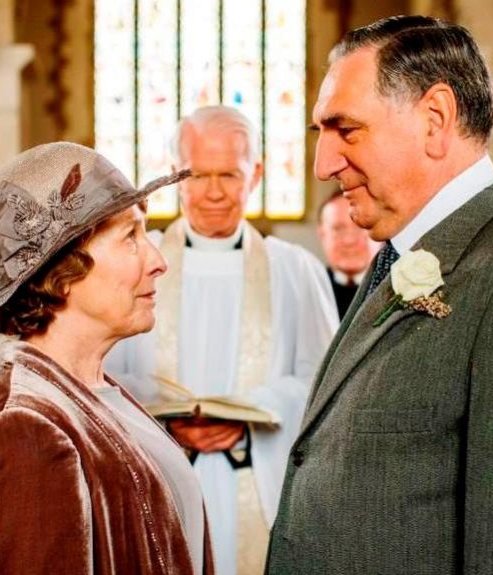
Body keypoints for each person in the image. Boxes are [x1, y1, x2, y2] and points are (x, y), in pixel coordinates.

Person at [267, 16, 493, 575]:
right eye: (322, 132)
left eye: (347, 129)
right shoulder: (401, 253)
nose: (323, 165)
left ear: (435, 119)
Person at [0, 142, 212, 574]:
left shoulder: (94, 392)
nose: (158, 261)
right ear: (65, 270)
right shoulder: (26, 432)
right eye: (131, 237)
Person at [106, 105, 338, 575]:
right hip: (157, 476)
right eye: (198, 175)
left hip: (256, 483)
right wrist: (164, 421)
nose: (214, 192)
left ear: (256, 174)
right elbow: (100, 374)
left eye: (229, 175)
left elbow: (327, 385)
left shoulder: (294, 270)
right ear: (175, 175)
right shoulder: (132, 266)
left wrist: (251, 415)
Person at [316, 188, 379, 318]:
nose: (349, 240)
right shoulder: (308, 290)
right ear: (322, 235)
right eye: (338, 229)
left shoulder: (399, 289)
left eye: (361, 226)